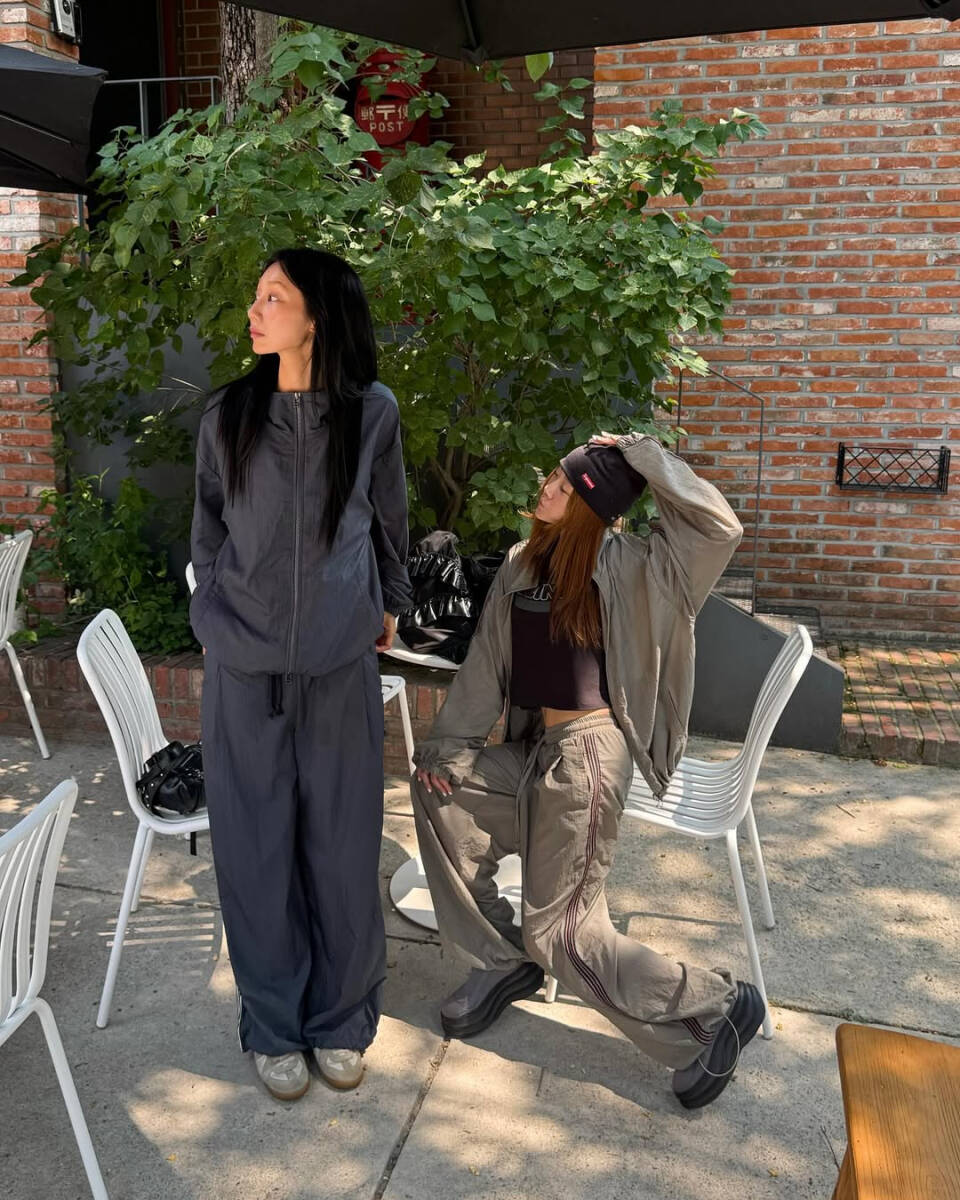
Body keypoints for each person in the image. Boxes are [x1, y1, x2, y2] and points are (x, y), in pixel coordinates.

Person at [411, 432, 765, 1109]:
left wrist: (643, 454)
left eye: (567, 486)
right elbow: (486, 663)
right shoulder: (521, 563)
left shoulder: (643, 567)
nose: (548, 488)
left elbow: (719, 527)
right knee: (439, 791)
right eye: (553, 475)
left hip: (589, 759)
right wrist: (450, 747)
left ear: (594, 508)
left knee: (563, 934)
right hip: (536, 752)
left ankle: (712, 1009)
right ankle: (499, 959)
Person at [190, 248, 412, 1100]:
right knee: (255, 854)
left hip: (337, 666)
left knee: (343, 849)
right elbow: (208, 527)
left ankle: (342, 1019)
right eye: (256, 297)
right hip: (244, 672)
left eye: (272, 298)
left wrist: (388, 603)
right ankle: (274, 1025)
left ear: (316, 315)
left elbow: (388, 521)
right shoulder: (228, 414)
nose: (255, 312)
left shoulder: (372, 413)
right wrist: (213, 617)